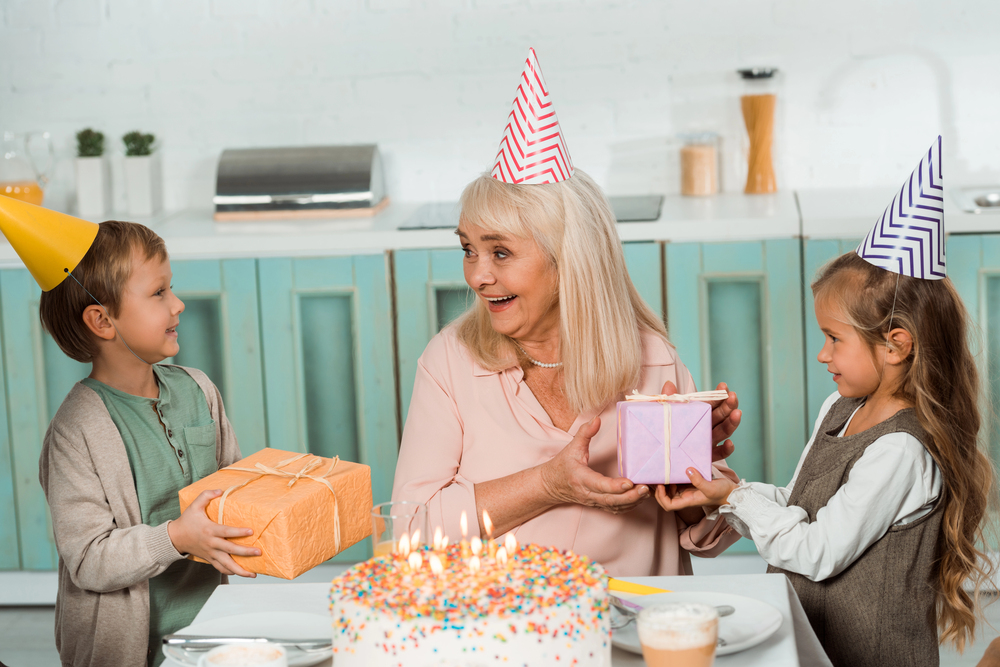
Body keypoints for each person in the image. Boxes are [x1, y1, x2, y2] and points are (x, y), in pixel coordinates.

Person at [392, 168, 743, 576]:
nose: (477, 276)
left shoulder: (653, 359)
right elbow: (408, 531)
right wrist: (547, 483)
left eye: (500, 253)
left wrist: (692, 476)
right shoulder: (450, 362)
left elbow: (707, 534)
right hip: (499, 627)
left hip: (634, 624)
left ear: (569, 259)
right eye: (469, 250)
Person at [657, 250, 995, 666]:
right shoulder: (841, 407)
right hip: (814, 644)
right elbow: (799, 505)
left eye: (834, 338)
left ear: (895, 345)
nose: (822, 353)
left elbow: (817, 551)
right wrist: (723, 494)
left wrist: (735, 499)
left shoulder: (901, 451)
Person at [37, 221, 260, 667]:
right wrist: (177, 537)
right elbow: (89, 559)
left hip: (207, 637)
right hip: (124, 653)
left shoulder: (200, 391)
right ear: (102, 320)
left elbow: (236, 495)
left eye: (170, 288)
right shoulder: (75, 431)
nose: (177, 304)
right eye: (159, 293)